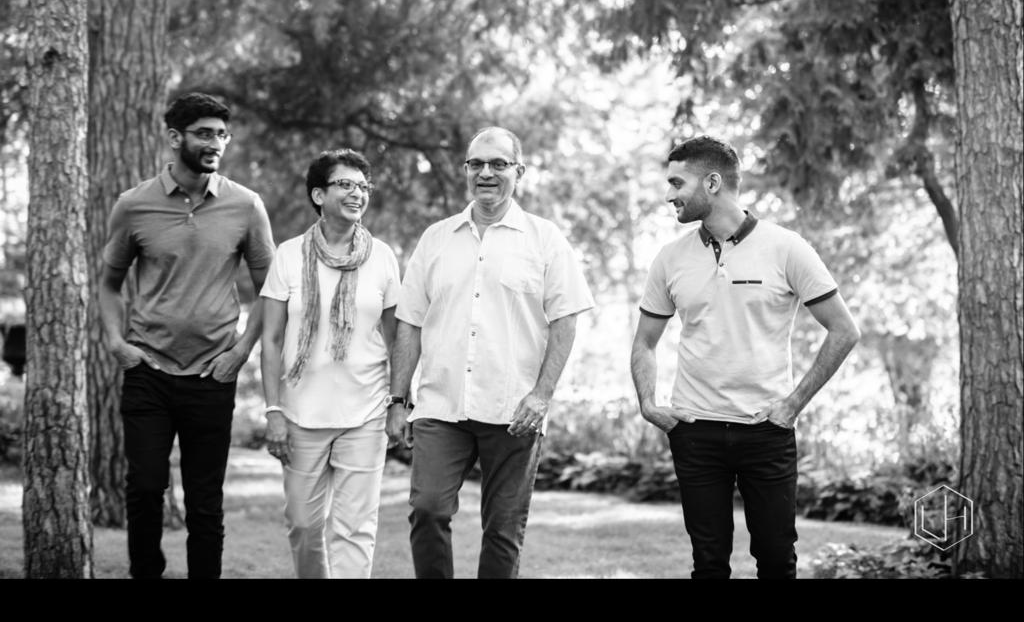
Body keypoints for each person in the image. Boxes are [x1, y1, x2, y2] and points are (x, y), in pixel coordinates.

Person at [630, 135, 860, 579]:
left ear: (712, 183)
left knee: (776, 562)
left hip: (766, 430)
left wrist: (792, 405)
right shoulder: (670, 258)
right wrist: (648, 404)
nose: (669, 195)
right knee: (708, 565)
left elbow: (844, 330)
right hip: (694, 430)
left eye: (677, 183)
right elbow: (645, 342)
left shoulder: (786, 247)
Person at [386, 126, 594, 579]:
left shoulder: (545, 239)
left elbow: (565, 321)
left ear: (519, 171)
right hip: (441, 405)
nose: (486, 173)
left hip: (514, 408)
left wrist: (541, 395)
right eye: (476, 163)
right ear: (466, 170)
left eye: (499, 164)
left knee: (503, 529)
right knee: (427, 508)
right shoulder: (436, 239)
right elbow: (410, 323)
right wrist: (398, 399)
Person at [98, 92, 276, 579]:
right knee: (144, 488)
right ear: (175, 138)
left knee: (204, 501)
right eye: (204, 133)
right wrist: (116, 343)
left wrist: (241, 352)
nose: (215, 143)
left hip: (212, 374)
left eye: (222, 134)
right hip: (148, 370)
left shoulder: (245, 205)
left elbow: (271, 289)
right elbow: (109, 285)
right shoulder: (134, 205)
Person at [259, 149, 400, 579]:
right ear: (319, 195)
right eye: (345, 184)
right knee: (303, 524)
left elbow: (396, 339)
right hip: (300, 414)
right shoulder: (288, 255)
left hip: (366, 411)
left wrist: (399, 402)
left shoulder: (383, 257)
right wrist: (273, 410)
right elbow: (271, 339)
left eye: (363, 186)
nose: (358, 193)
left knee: (356, 528)